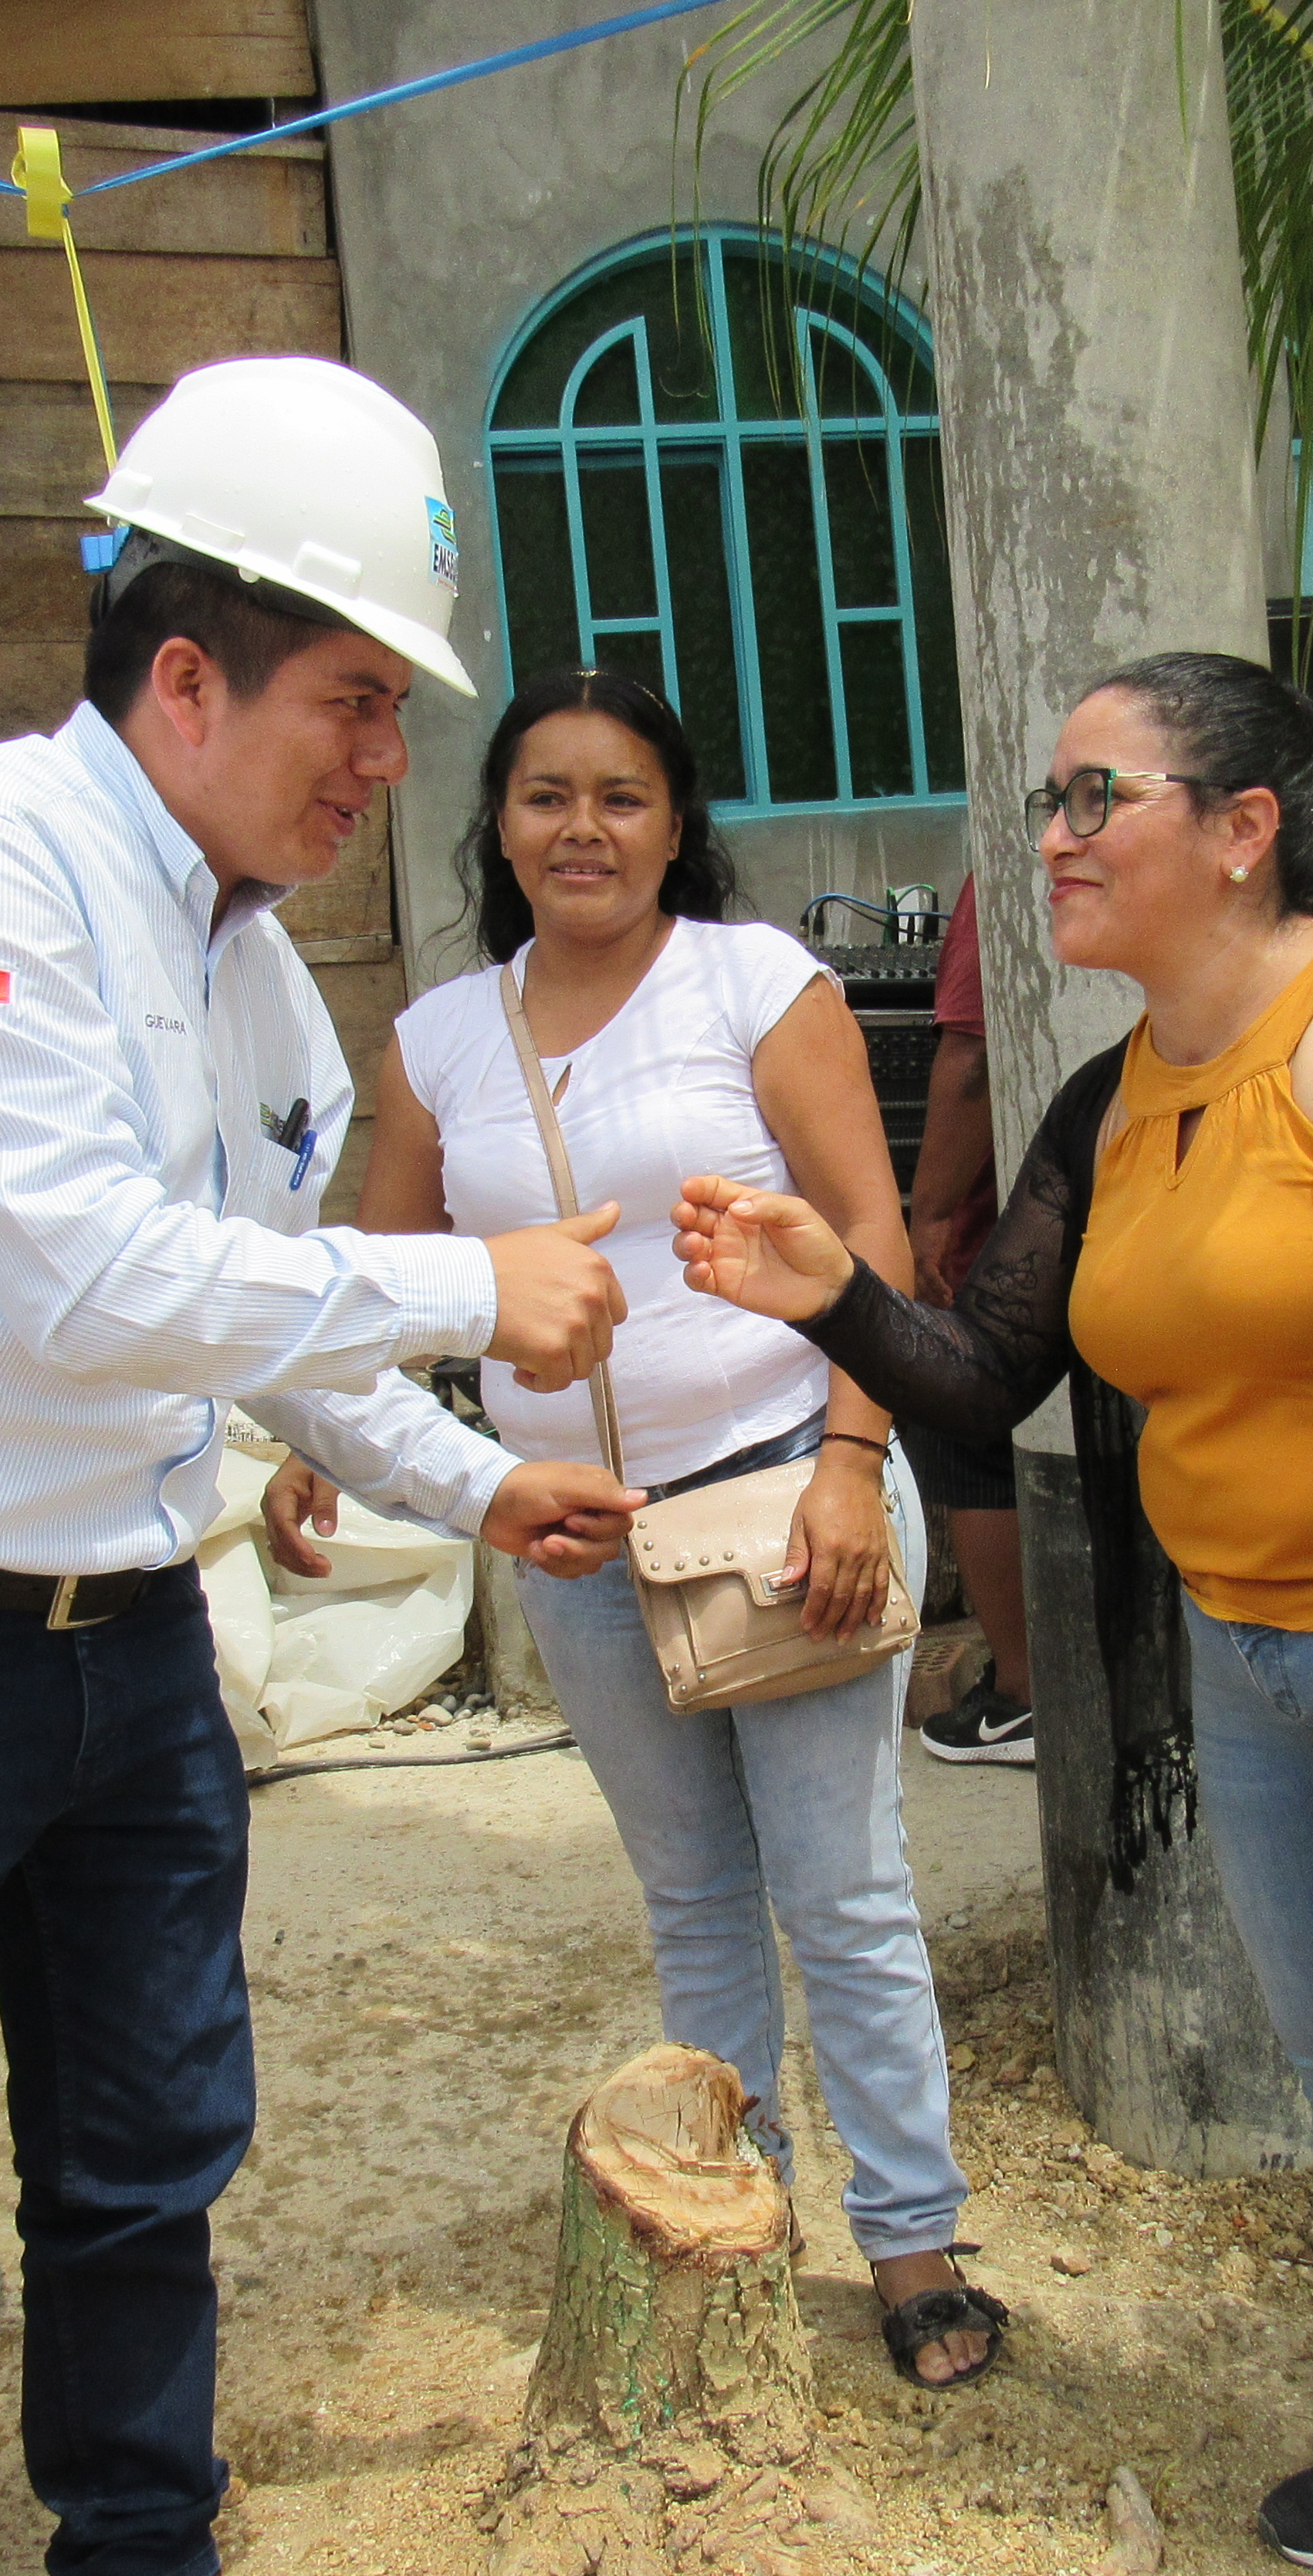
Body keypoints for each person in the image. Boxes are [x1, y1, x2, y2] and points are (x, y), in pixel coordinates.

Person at [0, 359, 648, 2576]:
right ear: (186, 679)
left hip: (118, 1648)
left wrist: (483, 1481)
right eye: (355, 705)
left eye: (396, 716)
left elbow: (258, 1327)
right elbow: (94, 1281)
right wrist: (475, 1281)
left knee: (142, 2156)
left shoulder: (249, 968)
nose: (389, 767)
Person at [669, 652, 1313, 2576]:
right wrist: (834, 1295)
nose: (1047, 837)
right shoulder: (1119, 1090)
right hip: (1244, 1652)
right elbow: (990, 1364)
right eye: (1044, 800)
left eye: (1091, 794)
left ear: (1243, 830)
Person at [266, 665, 1007, 2389]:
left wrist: (847, 1458)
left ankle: (912, 2242)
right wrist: (325, 1442)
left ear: (677, 825)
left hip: (776, 1492)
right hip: (574, 1533)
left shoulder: (757, 986)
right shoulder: (441, 1039)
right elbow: (388, 1287)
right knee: (692, 1902)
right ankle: (727, 2229)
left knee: (846, 1896)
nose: (582, 828)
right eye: (545, 795)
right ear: (498, 825)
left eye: (620, 796)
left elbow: (872, 1238)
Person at [902, 878, 1034, 1765]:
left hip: (1015, 1214)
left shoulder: (1010, 865)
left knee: (969, 1435)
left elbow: (974, 1056)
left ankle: (1024, 1692)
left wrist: (932, 1211)